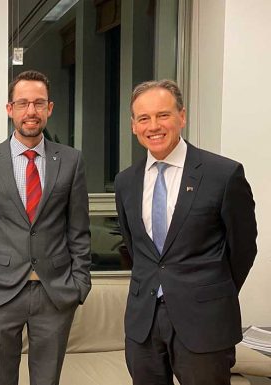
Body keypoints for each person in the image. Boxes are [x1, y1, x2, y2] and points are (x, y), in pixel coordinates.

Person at [115, 79, 257, 385]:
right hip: (144, 323)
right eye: (144, 118)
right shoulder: (126, 182)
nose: (154, 125)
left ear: (182, 116)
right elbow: (138, 249)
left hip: (205, 321)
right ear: (133, 126)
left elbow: (243, 249)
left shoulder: (223, 174)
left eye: (163, 115)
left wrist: (209, 291)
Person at [0, 70, 91, 385]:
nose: (31, 111)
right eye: (23, 103)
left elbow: (79, 231)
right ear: (10, 109)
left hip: (55, 293)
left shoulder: (71, 161)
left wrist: (79, 284)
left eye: (38, 103)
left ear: (50, 108)